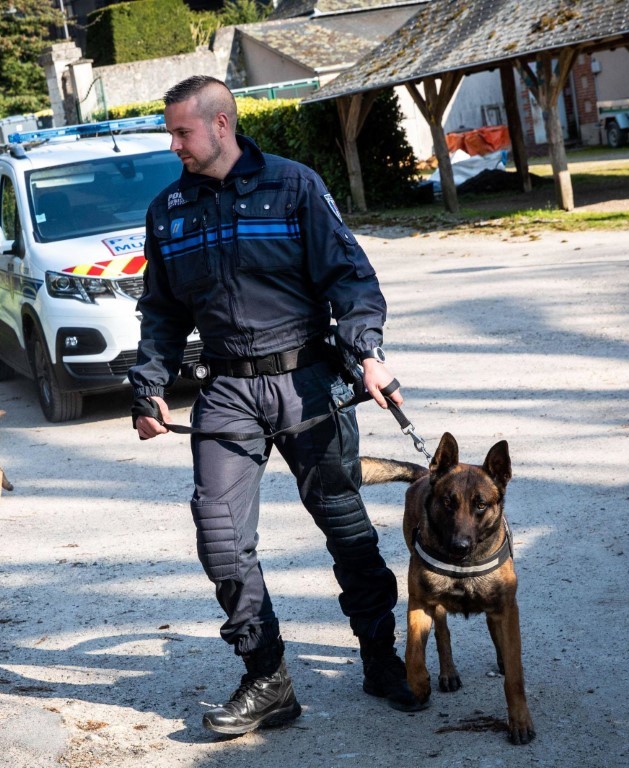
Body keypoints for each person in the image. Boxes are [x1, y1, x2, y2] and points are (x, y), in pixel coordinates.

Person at [128, 75, 420, 736]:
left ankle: (380, 658)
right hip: (225, 389)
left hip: (306, 381)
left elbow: (349, 277)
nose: (173, 144)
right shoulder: (168, 209)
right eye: (170, 132)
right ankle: (267, 678)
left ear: (221, 124)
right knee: (220, 538)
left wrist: (367, 350)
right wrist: (147, 382)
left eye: (181, 131)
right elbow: (161, 311)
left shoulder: (292, 185)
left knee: (345, 528)